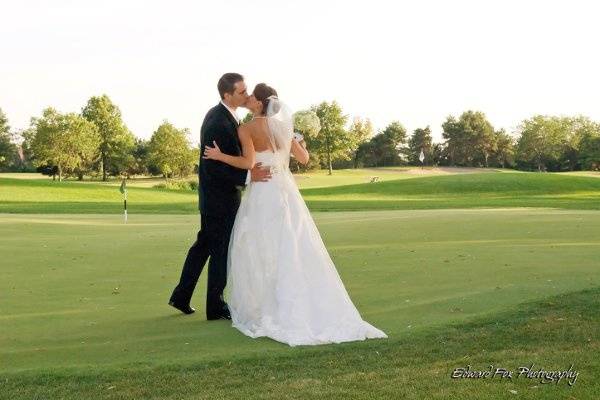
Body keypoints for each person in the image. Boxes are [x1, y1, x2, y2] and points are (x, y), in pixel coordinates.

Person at [203, 83, 388, 345]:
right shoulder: (282, 128)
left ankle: (271, 304)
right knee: (293, 245)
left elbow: (247, 164)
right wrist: (298, 140)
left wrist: (220, 156)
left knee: (262, 247)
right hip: (285, 191)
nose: (248, 99)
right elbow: (304, 159)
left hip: (263, 194)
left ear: (259, 103)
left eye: (252, 97)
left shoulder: (247, 129)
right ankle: (293, 300)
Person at [168, 73, 272, 320]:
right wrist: (248, 178)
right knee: (220, 250)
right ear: (227, 95)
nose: (246, 95)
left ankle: (181, 295)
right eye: (241, 92)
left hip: (215, 197)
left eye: (247, 91)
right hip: (220, 199)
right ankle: (215, 306)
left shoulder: (227, 117)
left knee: (203, 245)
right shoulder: (218, 121)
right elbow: (214, 167)